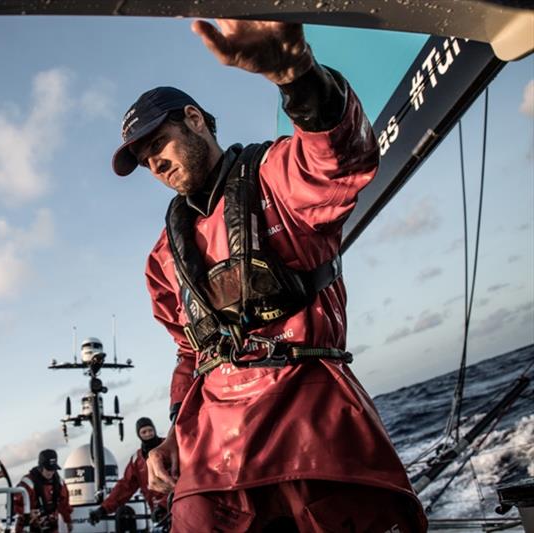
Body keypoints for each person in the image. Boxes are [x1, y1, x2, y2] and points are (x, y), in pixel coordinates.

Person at [111, 19, 427, 532]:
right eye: (144, 160)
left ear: (194, 119)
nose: (155, 163)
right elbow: (191, 351)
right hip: (213, 452)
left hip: (310, 422)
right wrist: (173, 435)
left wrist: (297, 75)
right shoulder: (162, 258)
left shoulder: (277, 177)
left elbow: (339, 160)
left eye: (158, 143)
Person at [88, 417, 169, 526]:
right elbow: (125, 486)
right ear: (139, 435)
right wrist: (103, 509)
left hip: (179, 505)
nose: (148, 434)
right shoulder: (137, 460)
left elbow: (182, 478)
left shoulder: (169, 447)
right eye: (144, 432)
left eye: (150, 430)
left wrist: (164, 505)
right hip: (159, 514)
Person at [13, 449, 73, 533]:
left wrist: (68, 521)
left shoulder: (59, 483)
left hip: (51, 527)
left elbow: (64, 504)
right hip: (29, 528)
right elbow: (13, 504)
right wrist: (27, 512)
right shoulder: (28, 483)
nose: (51, 472)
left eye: (53, 469)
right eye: (48, 469)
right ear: (41, 467)